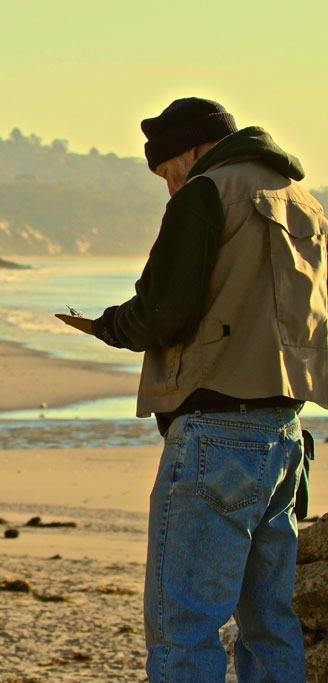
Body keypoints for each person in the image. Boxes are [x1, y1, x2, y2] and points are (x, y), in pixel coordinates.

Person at [89, 98, 327, 681]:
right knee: (270, 624)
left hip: (215, 435)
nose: (171, 188)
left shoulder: (206, 191)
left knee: (185, 628)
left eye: (168, 172)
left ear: (191, 150)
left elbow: (163, 310)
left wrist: (107, 325)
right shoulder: (304, 201)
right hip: (287, 435)